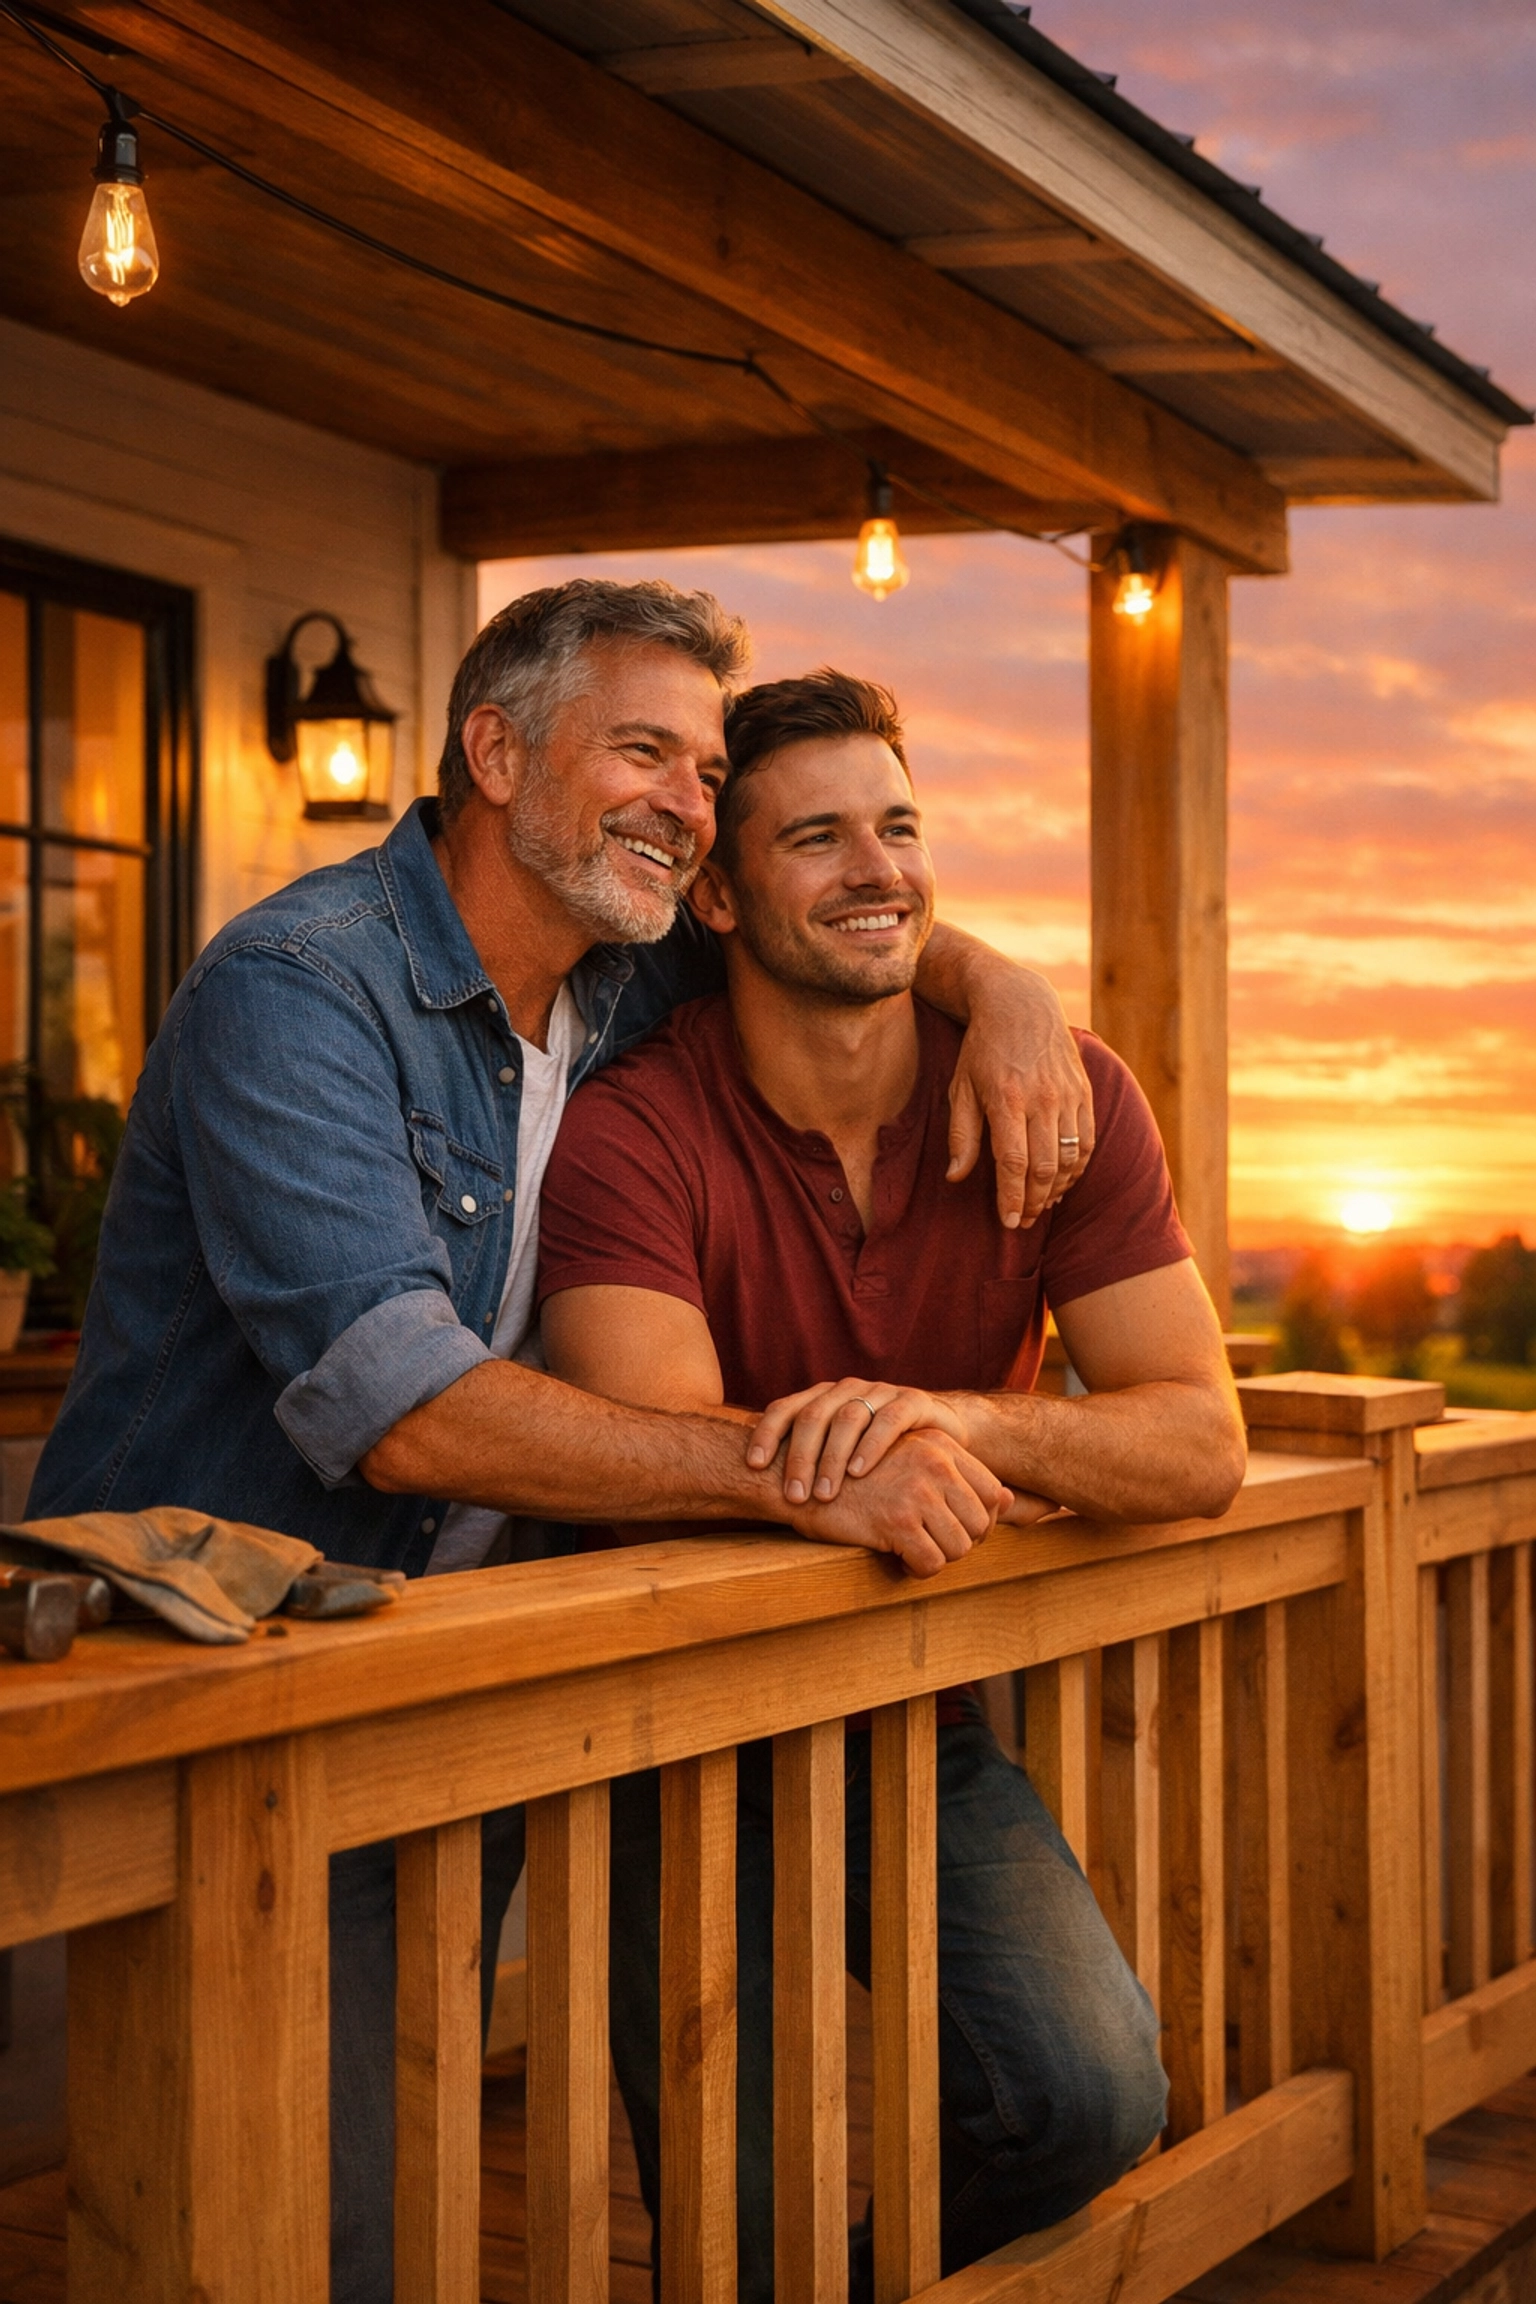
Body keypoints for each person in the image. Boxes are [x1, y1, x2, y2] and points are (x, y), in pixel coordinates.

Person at [28, 586, 1095, 2304]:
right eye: (645, 752)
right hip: (232, 1684)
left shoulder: (626, 957)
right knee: (307, 2228)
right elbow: (404, 1409)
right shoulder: (296, 989)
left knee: (406, 2190)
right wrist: (809, 1469)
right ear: (498, 753)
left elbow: (843, 917)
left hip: (465, 1664)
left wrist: (1011, 991)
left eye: (707, 771)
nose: (689, 803)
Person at [536, 669, 1249, 2300]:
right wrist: (871, 1456)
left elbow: (1199, 1442)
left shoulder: (1062, 1093)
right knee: (736, 2210)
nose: (880, 871)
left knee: (1089, 2093)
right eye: (817, 838)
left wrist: (965, 1424)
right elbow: (654, 1454)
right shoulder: (635, 1128)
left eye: (902, 828)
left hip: (907, 1708)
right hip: (671, 1719)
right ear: (719, 895)